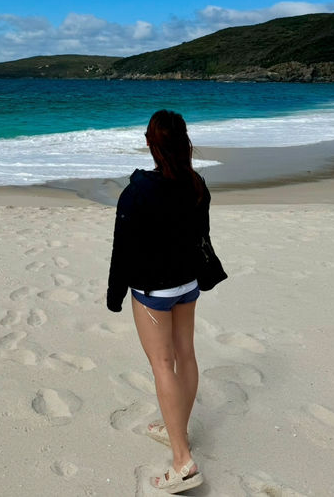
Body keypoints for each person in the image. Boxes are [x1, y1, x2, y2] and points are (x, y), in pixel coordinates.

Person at [106, 109, 210, 494]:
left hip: (153, 292)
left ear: (151, 143)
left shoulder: (137, 193)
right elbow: (202, 237)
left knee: (163, 364)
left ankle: (182, 460)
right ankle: (174, 427)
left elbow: (123, 251)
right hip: (187, 285)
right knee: (186, 354)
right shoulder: (196, 183)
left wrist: (115, 296)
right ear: (184, 142)